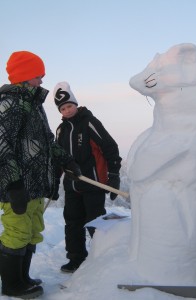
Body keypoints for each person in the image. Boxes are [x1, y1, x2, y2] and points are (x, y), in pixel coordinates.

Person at [0, 52, 81, 299]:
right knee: (17, 231)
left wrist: (66, 160)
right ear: (25, 76)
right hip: (18, 185)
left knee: (32, 230)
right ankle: (12, 284)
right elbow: (2, 145)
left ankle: (23, 278)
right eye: (38, 76)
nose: (41, 81)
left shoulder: (34, 105)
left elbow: (46, 140)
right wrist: (13, 184)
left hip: (34, 185)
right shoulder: (9, 103)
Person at [53, 81, 122, 273]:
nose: (67, 110)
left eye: (69, 106)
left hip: (93, 183)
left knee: (95, 222)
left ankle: (102, 258)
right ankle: (76, 258)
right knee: (73, 222)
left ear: (76, 104)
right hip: (72, 186)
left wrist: (113, 174)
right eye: (63, 108)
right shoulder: (61, 130)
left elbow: (110, 147)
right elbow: (58, 158)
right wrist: (54, 181)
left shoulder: (89, 122)